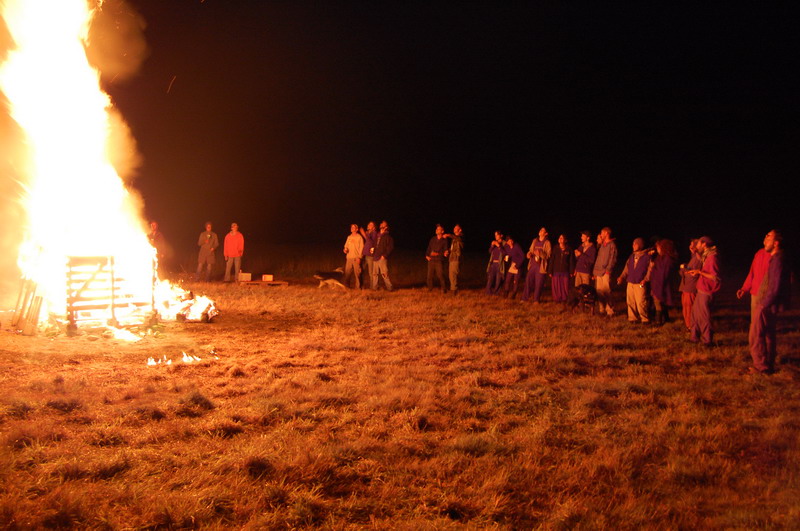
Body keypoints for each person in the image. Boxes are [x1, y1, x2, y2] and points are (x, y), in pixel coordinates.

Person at [742, 230, 791, 374]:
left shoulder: (777, 259)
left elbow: (774, 286)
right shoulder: (774, 257)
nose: (765, 237)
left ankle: (760, 366)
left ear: (776, 243)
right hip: (767, 301)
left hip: (765, 302)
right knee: (768, 333)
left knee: (756, 334)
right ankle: (768, 364)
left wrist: (764, 304)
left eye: (769, 236)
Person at [687, 236, 721, 346]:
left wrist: (700, 272)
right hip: (701, 288)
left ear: (704, 244)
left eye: (698, 244)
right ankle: (694, 337)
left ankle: (708, 340)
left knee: (703, 316)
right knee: (695, 314)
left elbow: (714, 276)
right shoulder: (707, 256)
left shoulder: (712, 257)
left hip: (707, 290)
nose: (696, 246)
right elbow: (701, 260)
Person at [617, 237, 652, 324]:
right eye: (633, 244)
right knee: (630, 301)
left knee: (640, 301)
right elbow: (626, 268)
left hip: (640, 282)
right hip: (630, 282)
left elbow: (650, 270)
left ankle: (644, 319)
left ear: (640, 245)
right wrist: (621, 277)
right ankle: (632, 318)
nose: (633, 246)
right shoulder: (632, 256)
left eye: (635, 244)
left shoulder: (647, 257)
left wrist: (645, 279)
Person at [649, 239, 678, 326]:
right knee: (660, 302)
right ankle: (666, 318)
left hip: (661, 284)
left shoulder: (667, 259)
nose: (657, 249)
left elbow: (663, 273)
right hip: (656, 283)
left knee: (659, 302)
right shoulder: (660, 257)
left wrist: (659, 285)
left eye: (658, 247)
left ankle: (658, 321)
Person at [593, 227, 618, 316]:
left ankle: (610, 310)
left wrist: (608, 270)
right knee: (599, 291)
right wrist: (595, 271)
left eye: (602, 233)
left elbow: (612, 259)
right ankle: (601, 309)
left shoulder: (612, 245)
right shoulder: (602, 245)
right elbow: (598, 258)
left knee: (607, 292)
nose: (600, 234)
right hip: (599, 271)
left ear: (606, 233)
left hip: (606, 272)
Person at [522, 227, 551, 303]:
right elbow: (530, 250)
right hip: (532, 265)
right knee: (528, 281)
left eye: (542, 230)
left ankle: (536, 300)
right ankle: (524, 298)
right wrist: (528, 254)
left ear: (546, 233)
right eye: (540, 230)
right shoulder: (535, 241)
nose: (540, 231)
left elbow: (548, 255)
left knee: (539, 284)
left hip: (541, 267)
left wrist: (540, 253)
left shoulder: (547, 242)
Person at [678, 239, 702, 331]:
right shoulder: (694, 257)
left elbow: (693, 273)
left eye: (692, 245)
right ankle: (689, 325)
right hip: (686, 286)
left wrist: (683, 270)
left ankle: (691, 326)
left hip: (690, 287)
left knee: (689, 307)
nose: (690, 247)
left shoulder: (698, 258)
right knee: (686, 307)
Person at [549, 234, 576, 305]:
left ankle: (564, 298)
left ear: (565, 240)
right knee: (556, 285)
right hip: (556, 270)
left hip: (565, 270)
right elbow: (552, 260)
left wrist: (571, 271)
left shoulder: (569, 249)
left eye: (562, 238)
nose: (560, 239)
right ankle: (556, 299)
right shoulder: (555, 248)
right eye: (559, 238)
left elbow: (571, 261)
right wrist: (550, 270)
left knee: (565, 285)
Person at [372, 221, 394, 291]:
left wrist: (385, 255)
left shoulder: (388, 237)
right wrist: (372, 250)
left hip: (382, 257)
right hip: (375, 257)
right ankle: (375, 288)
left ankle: (390, 288)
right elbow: (375, 245)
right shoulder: (378, 235)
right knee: (375, 274)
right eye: (381, 223)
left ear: (386, 227)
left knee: (384, 274)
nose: (381, 224)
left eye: (383, 224)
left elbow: (390, 248)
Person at [426, 224, 448, 292]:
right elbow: (429, 248)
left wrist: (437, 254)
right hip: (431, 260)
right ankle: (430, 288)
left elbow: (445, 252)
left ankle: (444, 288)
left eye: (438, 229)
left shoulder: (444, 240)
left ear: (442, 231)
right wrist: (427, 255)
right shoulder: (433, 239)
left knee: (440, 275)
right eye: (436, 229)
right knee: (429, 276)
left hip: (439, 260)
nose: (436, 230)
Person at [343, 223, 364, 289]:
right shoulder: (349, 237)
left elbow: (361, 248)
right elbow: (346, 246)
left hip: (356, 258)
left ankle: (357, 287)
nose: (352, 228)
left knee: (357, 273)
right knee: (347, 273)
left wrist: (359, 257)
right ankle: (347, 286)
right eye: (351, 227)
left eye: (353, 227)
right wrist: (345, 250)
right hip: (349, 257)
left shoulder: (359, 237)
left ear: (357, 229)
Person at [444, 224, 464, 294]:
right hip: (452, 258)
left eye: (456, 228)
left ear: (460, 230)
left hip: (456, 258)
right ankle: (453, 288)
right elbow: (453, 248)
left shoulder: (460, 237)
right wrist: (448, 251)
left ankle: (454, 290)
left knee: (454, 274)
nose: (454, 228)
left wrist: (448, 235)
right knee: (451, 275)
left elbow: (457, 239)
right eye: (454, 227)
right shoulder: (454, 239)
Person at [359, 221, 378, 289]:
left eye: (371, 224)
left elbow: (371, 241)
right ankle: (361, 286)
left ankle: (373, 287)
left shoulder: (374, 233)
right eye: (369, 224)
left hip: (370, 256)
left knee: (371, 272)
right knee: (361, 271)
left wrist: (363, 233)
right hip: (364, 255)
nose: (369, 225)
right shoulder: (368, 233)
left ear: (374, 227)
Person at [485, 231, 505, 295]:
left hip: (500, 264)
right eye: (495, 235)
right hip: (493, 263)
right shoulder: (494, 243)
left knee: (498, 280)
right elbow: (490, 251)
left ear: (501, 235)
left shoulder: (504, 243)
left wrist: (498, 246)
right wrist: (492, 245)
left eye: (497, 235)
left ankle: (496, 293)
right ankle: (488, 292)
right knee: (490, 278)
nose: (496, 236)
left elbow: (505, 253)